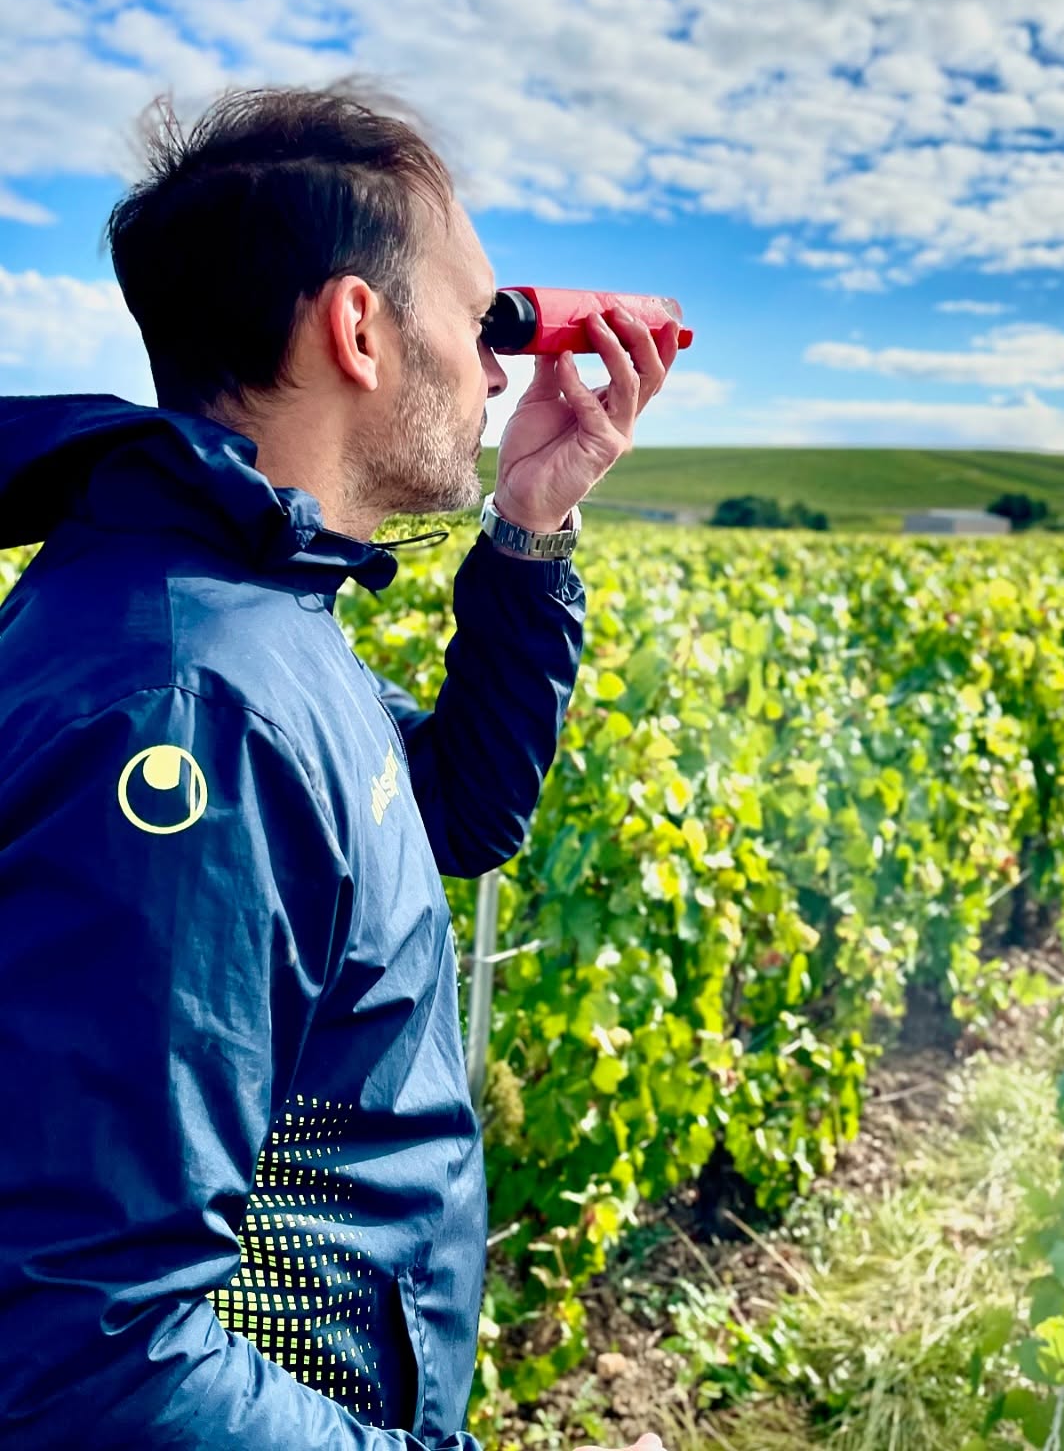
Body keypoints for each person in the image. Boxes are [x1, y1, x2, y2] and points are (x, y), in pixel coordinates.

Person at [0, 84, 676, 1451]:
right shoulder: (188, 706)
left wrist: (531, 530)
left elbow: (455, 812)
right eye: (481, 320)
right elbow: (91, 1360)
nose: (499, 370)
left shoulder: (248, 606)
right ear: (357, 327)